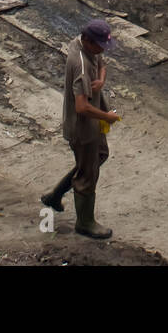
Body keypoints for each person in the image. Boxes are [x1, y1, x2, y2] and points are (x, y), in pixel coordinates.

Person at [43, 19, 119, 238]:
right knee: (88, 173)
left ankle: (55, 195)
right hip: (83, 128)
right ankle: (85, 223)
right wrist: (107, 117)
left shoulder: (84, 45)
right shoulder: (80, 65)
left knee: (99, 156)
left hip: (94, 124)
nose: (102, 49)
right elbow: (81, 106)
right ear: (87, 40)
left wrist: (101, 81)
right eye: (99, 45)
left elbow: (102, 63)